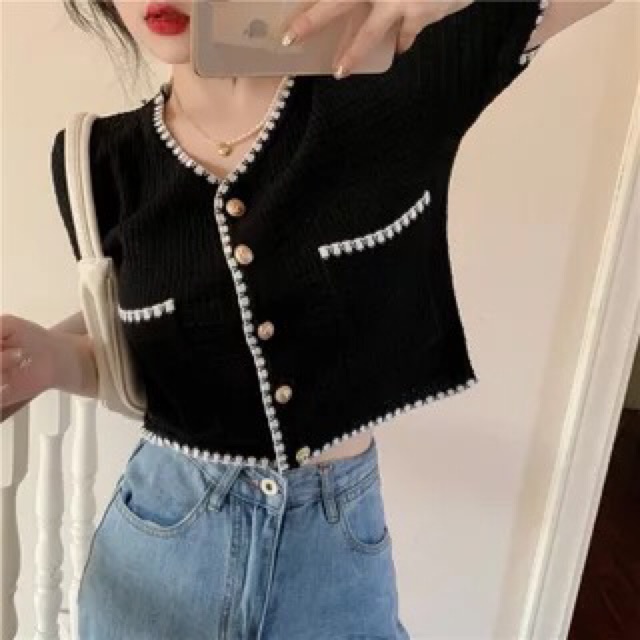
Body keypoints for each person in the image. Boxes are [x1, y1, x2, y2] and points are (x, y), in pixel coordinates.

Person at [1, 1, 614, 638]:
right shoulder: (99, 162)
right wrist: (54, 359)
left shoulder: (392, 88)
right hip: (158, 547)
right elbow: (147, 361)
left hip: (333, 554)